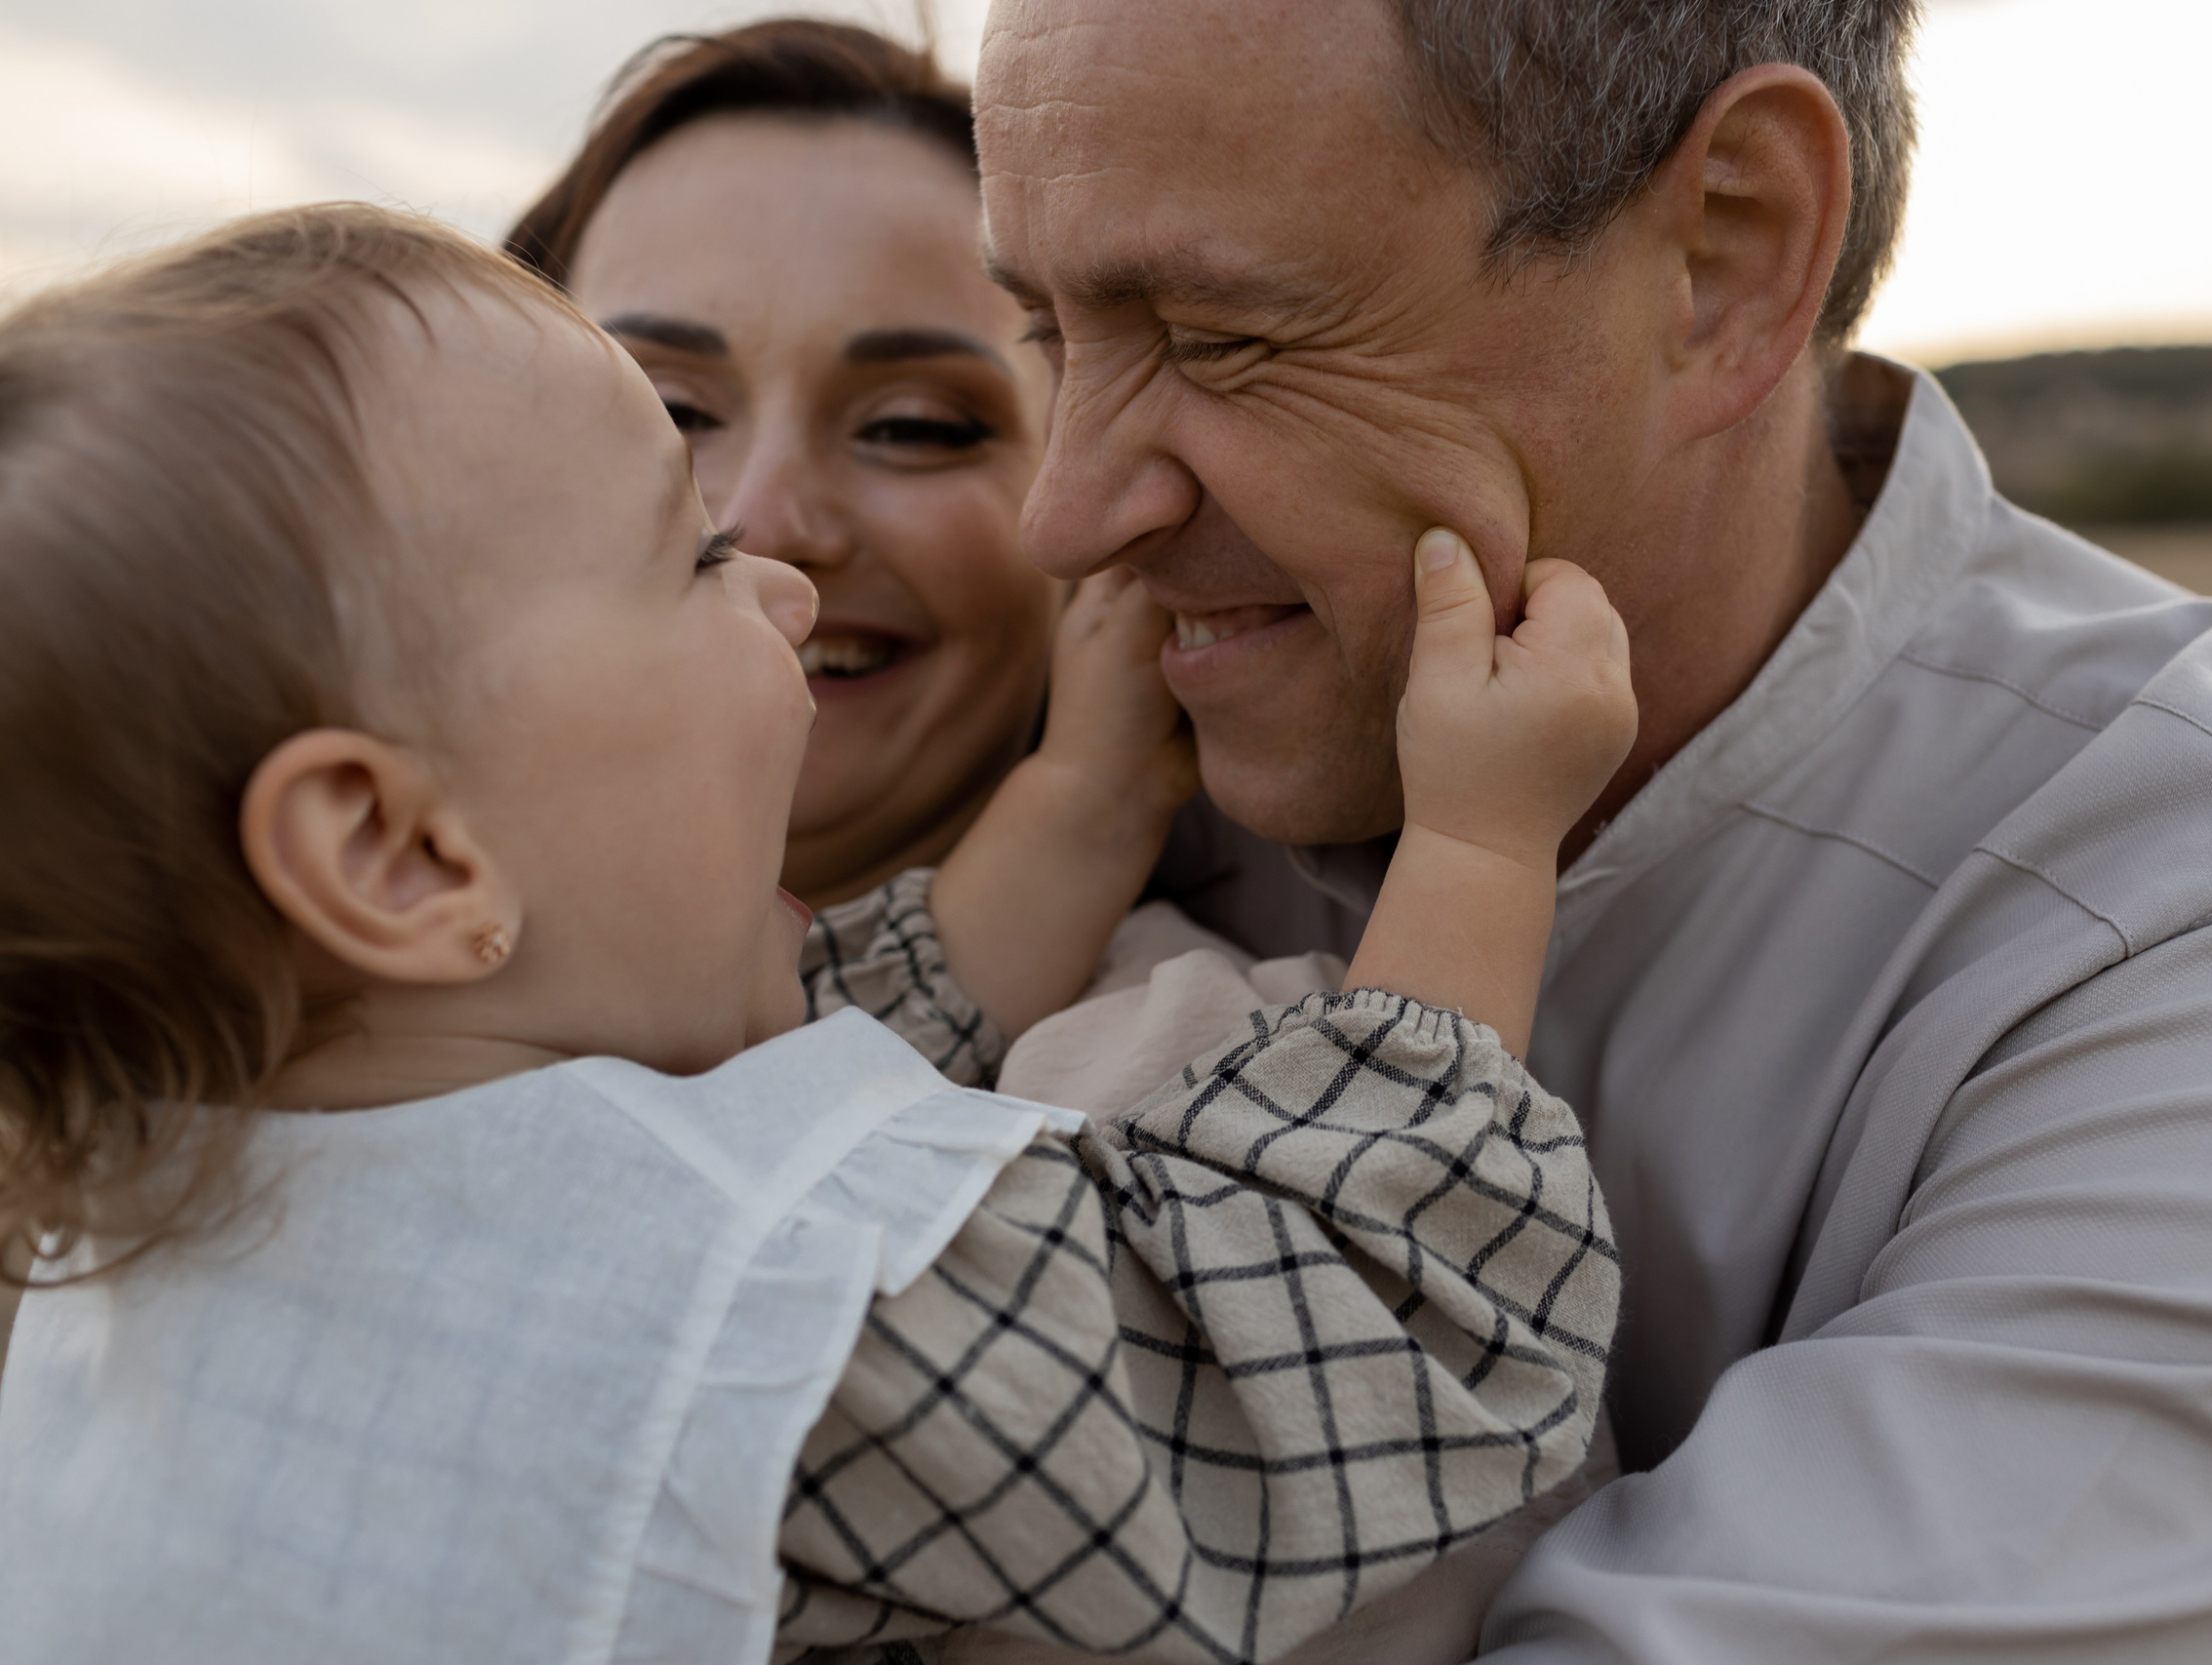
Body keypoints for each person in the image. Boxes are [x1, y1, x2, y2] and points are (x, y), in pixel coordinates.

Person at [969, 1, 2212, 1660]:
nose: (1068, 513)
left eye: (1220, 335)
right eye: (1046, 330)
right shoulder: (1079, 740)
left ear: (1728, 255)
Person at [0, 205, 1632, 1663]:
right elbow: (1331, 1349)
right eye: (690, 551)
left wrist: (1074, 796)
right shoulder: (732, 1318)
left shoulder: (159, 1239)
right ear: (396, 851)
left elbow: (809, 1059)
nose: (775, 574)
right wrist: (1481, 839)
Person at [502, 20, 1359, 1095]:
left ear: (1099, 526)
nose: (763, 521)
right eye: (662, 408)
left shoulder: (1189, 1110)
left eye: (913, 426)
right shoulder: (262, 963)